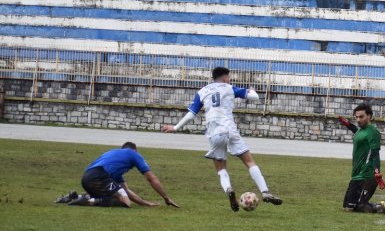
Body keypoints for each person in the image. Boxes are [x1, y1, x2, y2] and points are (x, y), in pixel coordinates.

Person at [161, 66, 282, 211]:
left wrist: (175, 127)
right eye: (229, 78)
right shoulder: (229, 88)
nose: (229, 80)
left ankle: (229, 190)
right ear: (225, 77)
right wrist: (251, 90)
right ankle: (265, 192)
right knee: (250, 162)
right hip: (230, 130)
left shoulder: (202, 92)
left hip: (214, 133)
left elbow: (192, 113)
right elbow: (254, 97)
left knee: (221, 169)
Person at [54, 142, 180, 208]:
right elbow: (151, 178)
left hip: (87, 177)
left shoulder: (115, 162)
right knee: (125, 203)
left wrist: (146, 203)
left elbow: (126, 191)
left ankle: (74, 196)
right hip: (99, 175)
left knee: (119, 196)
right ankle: (89, 200)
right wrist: (166, 198)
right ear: (134, 150)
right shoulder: (133, 154)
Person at [337, 104, 385, 214]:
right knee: (348, 207)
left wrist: (377, 172)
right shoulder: (361, 130)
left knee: (356, 207)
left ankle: (383, 207)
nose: (358, 119)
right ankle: (375, 206)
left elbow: (375, 153)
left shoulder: (373, 132)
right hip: (356, 174)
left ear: (369, 116)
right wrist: (348, 124)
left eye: (361, 117)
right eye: (356, 117)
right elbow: (358, 133)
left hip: (366, 175)